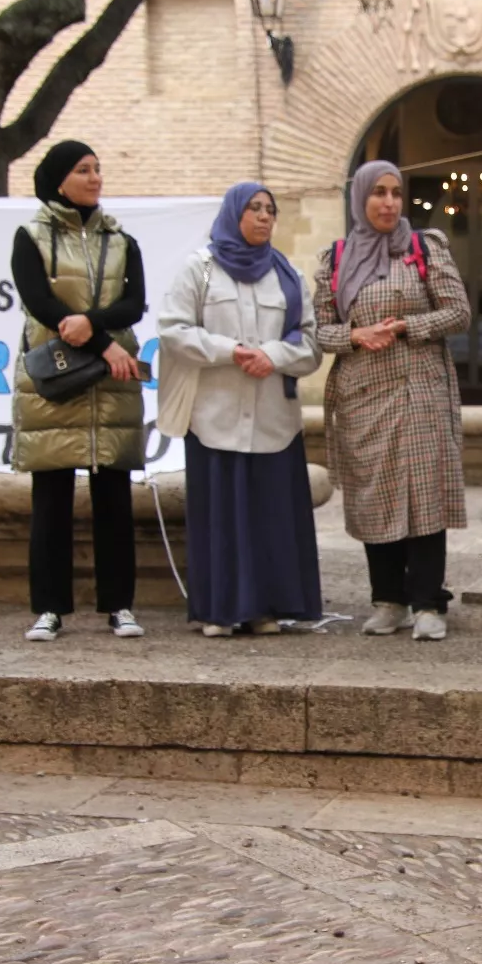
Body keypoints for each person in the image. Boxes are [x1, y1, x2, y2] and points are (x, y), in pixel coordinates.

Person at [314, 160, 471, 642]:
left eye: (395, 193)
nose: (388, 202)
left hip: (421, 389)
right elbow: (319, 331)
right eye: (378, 193)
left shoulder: (424, 248)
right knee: (374, 497)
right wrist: (357, 334)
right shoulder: (335, 258)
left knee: (425, 496)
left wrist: (408, 326)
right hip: (364, 396)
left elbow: (459, 311)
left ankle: (427, 603)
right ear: (360, 199)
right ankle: (388, 600)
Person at [157, 183, 324, 637]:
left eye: (270, 209)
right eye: (255, 208)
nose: (265, 217)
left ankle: (265, 608)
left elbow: (309, 344)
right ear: (234, 214)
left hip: (273, 418)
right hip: (215, 417)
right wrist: (229, 351)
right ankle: (218, 611)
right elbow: (173, 330)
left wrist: (273, 355)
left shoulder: (286, 275)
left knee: (269, 516)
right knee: (222, 516)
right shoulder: (200, 269)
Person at [11, 140, 147, 643]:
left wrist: (94, 328)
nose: (95, 178)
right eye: (83, 170)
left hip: (113, 380)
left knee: (113, 495)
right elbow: (39, 301)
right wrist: (103, 342)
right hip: (56, 378)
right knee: (51, 500)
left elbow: (134, 303)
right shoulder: (31, 236)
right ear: (58, 178)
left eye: (98, 169)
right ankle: (49, 608)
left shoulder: (120, 239)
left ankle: (120, 606)